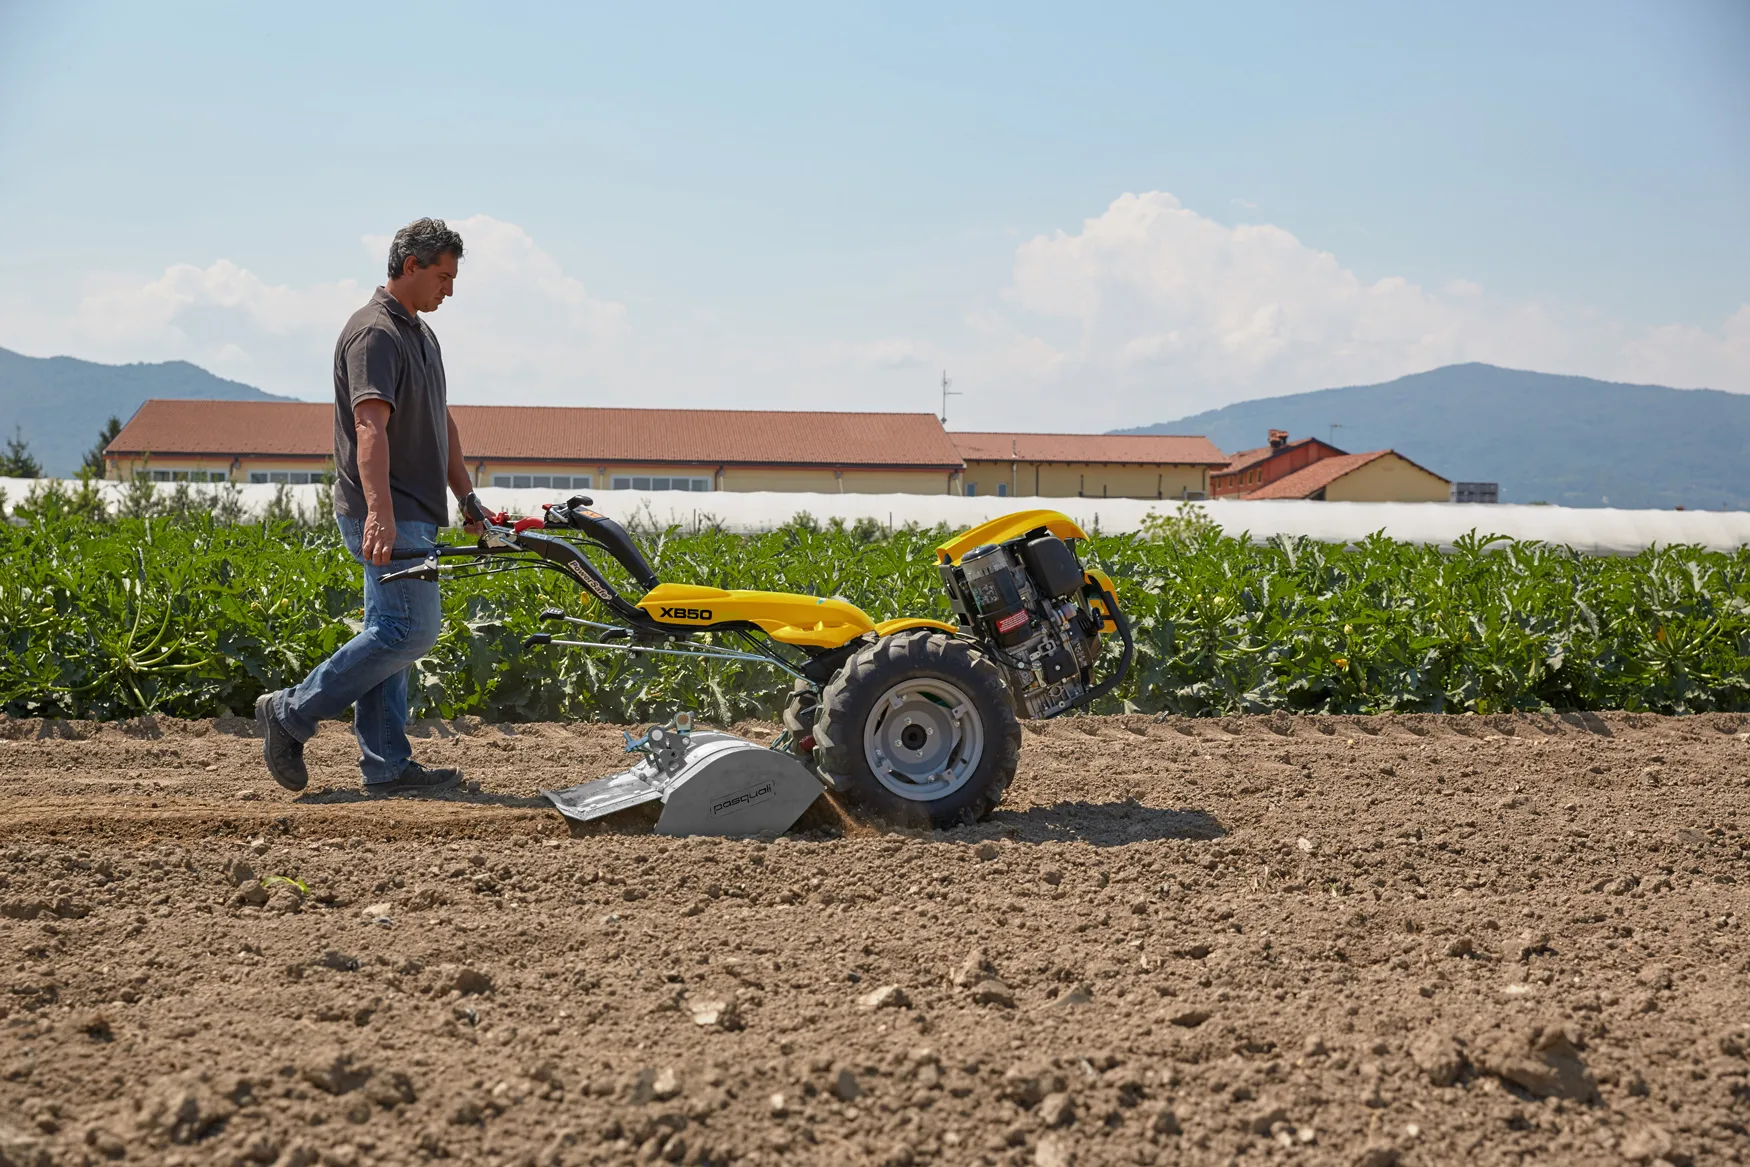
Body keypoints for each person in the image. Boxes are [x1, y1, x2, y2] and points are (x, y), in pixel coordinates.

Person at [256, 218, 485, 796]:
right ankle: (291, 712)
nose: (449, 291)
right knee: (407, 630)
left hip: (414, 506)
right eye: (443, 276)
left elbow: (442, 424)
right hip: (385, 505)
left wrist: (469, 499)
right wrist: (378, 512)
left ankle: (386, 765)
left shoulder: (421, 335)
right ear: (411, 266)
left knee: (391, 633)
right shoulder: (375, 333)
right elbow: (368, 425)